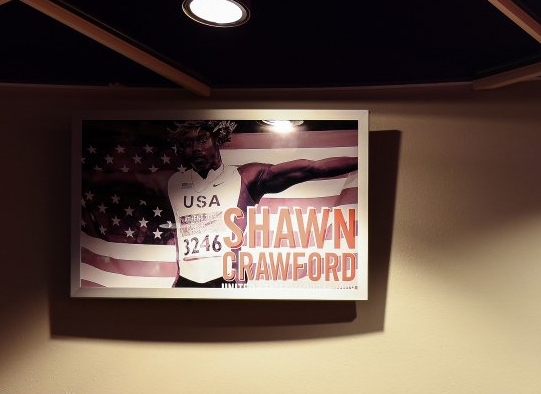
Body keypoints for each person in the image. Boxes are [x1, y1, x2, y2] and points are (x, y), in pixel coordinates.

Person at [93, 120, 360, 288]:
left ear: (217, 139)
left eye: (202, 140)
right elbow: (115, 181)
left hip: (228, 281)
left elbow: (311, 168)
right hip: (186, 282)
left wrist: (364, 161)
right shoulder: (171, 182)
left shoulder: (246, 176)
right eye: (188, 143)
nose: (195, 148)